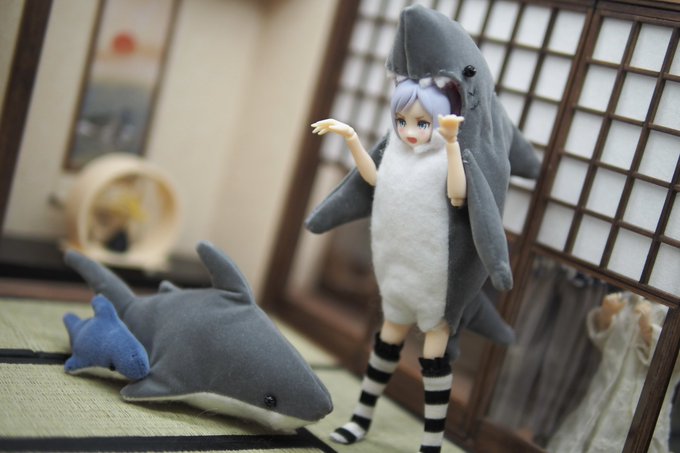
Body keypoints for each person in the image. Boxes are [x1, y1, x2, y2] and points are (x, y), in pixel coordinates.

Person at [311, 78, 465, 453]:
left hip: (435, 278)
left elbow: (458, 195)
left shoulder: (442, 157)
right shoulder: (397, 152)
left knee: (433, 359)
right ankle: (361, 418)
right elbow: (376, 180)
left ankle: (431, 444)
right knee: (385, 344)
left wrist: (451, 143)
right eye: (402, 121)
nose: (410, 131)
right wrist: (351, 137)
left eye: (422, 123)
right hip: (396, 269)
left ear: (441, 121)